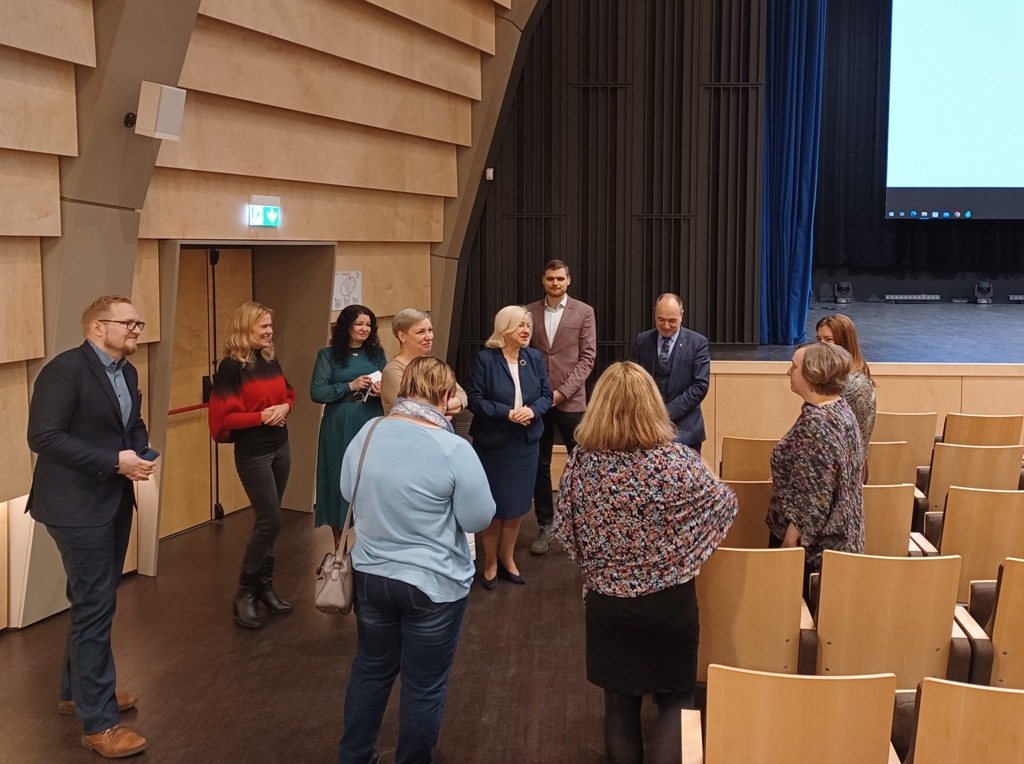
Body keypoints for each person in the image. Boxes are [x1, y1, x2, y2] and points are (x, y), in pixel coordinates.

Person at [554, 362, 736, 764]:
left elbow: (565, 529)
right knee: (676, 700)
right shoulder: (678, 461)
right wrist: (687, 552)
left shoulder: (582, 462)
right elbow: (724, 505)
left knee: (620, 706)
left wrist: (599, 568)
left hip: (607, 603)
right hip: (670, 603)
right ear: (653, 405)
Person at [338, 357, 496, 764]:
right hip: (433, 587)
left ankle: (354, 756)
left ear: (405, 388)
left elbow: (347, 492)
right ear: (444, 397)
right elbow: (477, 518)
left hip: (370, 577)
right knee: (423, 685)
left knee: (370, 670)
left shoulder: (368, 433)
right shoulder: (453, 448)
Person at [27, 295, 155, 758]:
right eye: (128, 323)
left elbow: (132, 424)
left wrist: (140, 452)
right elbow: (43, 437)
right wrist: (114, 461)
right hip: (75, 507)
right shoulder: (64, 370)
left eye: (139, 323)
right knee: (95, 608)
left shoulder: (128, 371)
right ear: (97, 327)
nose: (136, 329)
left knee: (92, 603)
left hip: (112, 499)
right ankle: (99, 723)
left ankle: (75, 691)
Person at [209, 302, 296, 629]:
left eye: (270, 325)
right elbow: (223, 420)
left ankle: (265, 587)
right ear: (246, 328)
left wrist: (284, 408)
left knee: (270, 521)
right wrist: (262, 416)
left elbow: (289, 394)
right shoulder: (231, 367)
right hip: (254, 453)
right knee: (270, 521)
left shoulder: (269, 359)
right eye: (264, 326)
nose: (270, 331)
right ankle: (244, 592)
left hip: (280, 448)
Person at [767, 342, 865, 595]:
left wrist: (790, 542)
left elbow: (813, 498)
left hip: (812, 550)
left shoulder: (818, 425)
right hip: (837, 541)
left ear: (813, 374)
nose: (788, 371)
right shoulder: (840, 408)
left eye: (794, 367)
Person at [468, 305, 553, 588]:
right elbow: (475, 400)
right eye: (520, 326)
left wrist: (533, 410)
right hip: (493, 445)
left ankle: (508, 559)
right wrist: (507, 413)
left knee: (516, 505)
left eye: (527, 326)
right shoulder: (486, 359)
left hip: (525, 443)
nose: (526, 331)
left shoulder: (534, 358)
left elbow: (546, 394)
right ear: (504, 328)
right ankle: (490, 562)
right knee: (493, 506)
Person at [526, 259, 597, 555]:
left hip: (572, 402)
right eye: (550, 278)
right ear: (543, 280)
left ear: (569, 280)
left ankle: (583, 525)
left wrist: (561, 393)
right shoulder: (528, 312)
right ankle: (546, 524)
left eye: (559, 279)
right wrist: (543, 396)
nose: (555, 283)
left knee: (580, 465)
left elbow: (588, 358)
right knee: (539, 465)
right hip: (538, 403)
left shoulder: (584, 311)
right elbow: (524, 355)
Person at [311, 304, 386, 549]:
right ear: (347, 326)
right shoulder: (327, 355)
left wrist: (379, 390)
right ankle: (339, 550)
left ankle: (370, 546)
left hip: (371, 420)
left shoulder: (377, 354)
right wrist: (349, 386)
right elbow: (317, 392)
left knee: (371, 478)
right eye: (359, 324)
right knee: (338, 477)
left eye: (368, 324)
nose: (365, 329)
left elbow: (389, 385)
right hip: (339, 423)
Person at [630, 293, 710, 453]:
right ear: (654, 313)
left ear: (682, 315)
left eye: (672, 321)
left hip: (686, 430)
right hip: (647, 429)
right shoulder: (643, 340)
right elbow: (634, 381)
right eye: (661, 319)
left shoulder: (697, 343)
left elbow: (700, 386)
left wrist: (666, 413)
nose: (666, 326)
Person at [379, 308, 467, 416]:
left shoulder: (432, 364)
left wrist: (439, 409)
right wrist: (446, 410)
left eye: (430, 330)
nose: (429, 337)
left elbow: (461, 396)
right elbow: (413, 411)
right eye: (421, 332)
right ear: (402, 336)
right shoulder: (393, 371)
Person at [816, 314, 876, 459]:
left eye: (828, 340)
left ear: (844, 342)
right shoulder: (852, 374)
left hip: (846, 463)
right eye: (819, 339)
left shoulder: (848, 384)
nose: (821, 346)